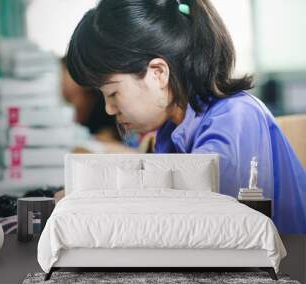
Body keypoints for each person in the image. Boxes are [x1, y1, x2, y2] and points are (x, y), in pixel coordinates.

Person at [65, 0, 306, 234]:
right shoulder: (169, 132)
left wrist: (95, 192)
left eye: (113, 93)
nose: (109, 109)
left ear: (158, 73)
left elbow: (205, 214)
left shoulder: (235, 117)